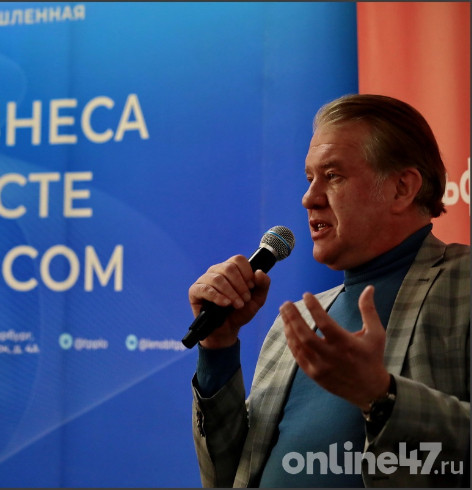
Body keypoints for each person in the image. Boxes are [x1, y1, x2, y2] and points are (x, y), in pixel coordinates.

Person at [188, 94, 469, 487]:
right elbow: (227, 476)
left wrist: (381, 396)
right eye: (310, 179)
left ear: (402, 188)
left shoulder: (463, 283)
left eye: (333, 176)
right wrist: (217, 349)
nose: (309, 198)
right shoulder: (300, 321)